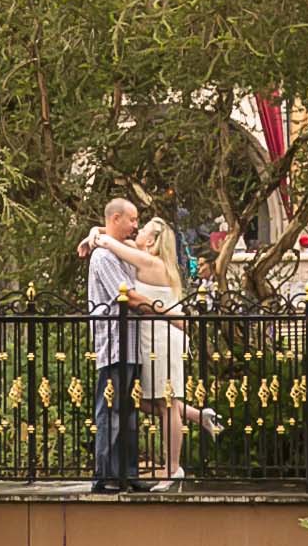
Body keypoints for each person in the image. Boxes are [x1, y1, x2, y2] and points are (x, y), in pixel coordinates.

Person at [83, 216, 224, 486]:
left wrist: (96, 237)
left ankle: (173, 469)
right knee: (146, 400)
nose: (137, 229)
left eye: (143, 227)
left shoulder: (149, 261)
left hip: (163, 339)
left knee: (166, 402)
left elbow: (108, 240)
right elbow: (110, 235)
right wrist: (94, 232)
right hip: (150, 342)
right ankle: (199, 415)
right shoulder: (145, 257)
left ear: (150, 240)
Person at [81, 198, 155, 493]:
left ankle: (128, 472)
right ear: (115, 218)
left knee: (129, 411)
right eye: (132, 220)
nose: (136, 225)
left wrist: (94, 232)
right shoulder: (104, 257)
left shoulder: (118, 252)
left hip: (130, 344)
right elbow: (130, 297)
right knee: (109, 410)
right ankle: (104, 475)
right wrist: (168, 310)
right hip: (113, 344)